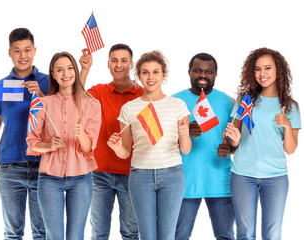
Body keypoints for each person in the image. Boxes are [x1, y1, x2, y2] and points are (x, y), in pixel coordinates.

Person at [107, 50, 192, 240]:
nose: (151, 77)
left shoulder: (178, 106)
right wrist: (117, 147)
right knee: (147, 236)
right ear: (139, 76)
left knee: (167, 235)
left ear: (163, 75)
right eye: (145, 72)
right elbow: (125, 152)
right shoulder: (129, 108)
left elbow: (185, 150)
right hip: (140, 176)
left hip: (172, 175)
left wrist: (185, 135)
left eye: (155, 72)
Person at [0, 28, 48, 240]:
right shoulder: (1, 86)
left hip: (43, 163)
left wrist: (41, 95)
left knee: (42, 232)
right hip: (10, 166)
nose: (23, 55)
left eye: (27, 50)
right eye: (17, 50)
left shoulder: (48, 81)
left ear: (35, 51)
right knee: (12, 233)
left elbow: (60, 116)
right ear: (10, 52)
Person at [226, 47, 301, 240]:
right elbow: (233, 141)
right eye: (257, 69)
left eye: (267, 68)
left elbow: (290, 149)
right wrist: (233, 139)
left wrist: (287, 125)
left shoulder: (290, 106)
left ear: (278, 71)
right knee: (245, 232)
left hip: (275, 177)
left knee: (272, 233)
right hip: (243, 175)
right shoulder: (246, 100)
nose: (262, 74)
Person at [26, 51, 101, 239]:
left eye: (69, 68)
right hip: (49, 178)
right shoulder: (42, 104)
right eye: (59, 70)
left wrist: (81, 134)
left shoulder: (91, 104)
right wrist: (49, 146)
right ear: (53, 74)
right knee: (54, 236)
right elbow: (32, 143)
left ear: (75, 71)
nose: (65, 73)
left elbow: (89, 148)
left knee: (76, 236)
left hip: (81, 178)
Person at [79, 44, 143, 240]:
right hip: (100, 173)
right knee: (99, 233)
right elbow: (77, 99)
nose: (119, 64)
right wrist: (85, 69)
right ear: (108, 64)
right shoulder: (99, 91)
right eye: (114, 60)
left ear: (131, 64)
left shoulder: (143, 95)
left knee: (131, 232)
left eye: (124, 60)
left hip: (132, 173)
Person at [173, 53, 235, 240]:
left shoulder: (228, 102)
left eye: (209, 71)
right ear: (189, 72)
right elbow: (162, 142)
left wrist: (229, 148)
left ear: (215, 74)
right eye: (198, 70)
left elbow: (235, 141)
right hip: (184, 181)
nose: (203, 75)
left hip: (220, 180)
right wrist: (183, 133)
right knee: (179, 236)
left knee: (225, 235)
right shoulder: (174, 102)